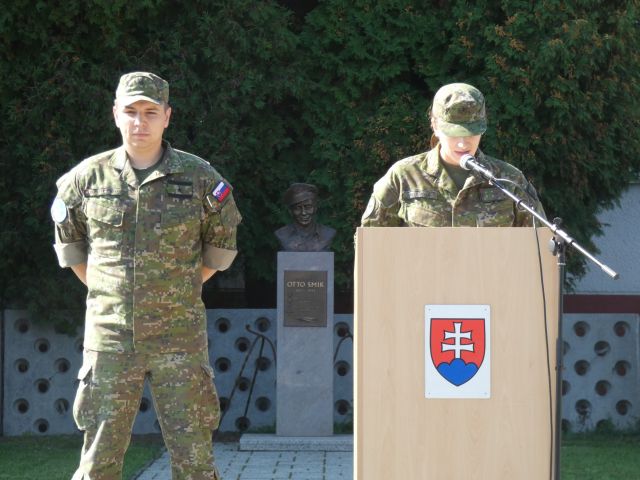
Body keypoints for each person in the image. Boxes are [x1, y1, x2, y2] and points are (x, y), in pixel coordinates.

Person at [51, 72, 241, 480]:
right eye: (131, 111)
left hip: (180, 340)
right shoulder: (85, 180)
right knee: (98, 462)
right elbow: (73, 251)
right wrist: (113, 292)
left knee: (195, 463)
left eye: (151, 112)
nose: (140, 122)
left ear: (167, 116)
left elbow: (218, 251)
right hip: (111, 339)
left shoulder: (202, 180)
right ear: (115, 114)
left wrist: (173, 290)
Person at [361, 82, 545, 227]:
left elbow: (538, 244)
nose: (463, 143)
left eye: (471, 133)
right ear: (435, 125)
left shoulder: (509, 180)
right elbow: (372, 244)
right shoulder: (404, 177)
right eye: (453, 133)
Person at [274, 182, 336, 251]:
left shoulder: (328, 233)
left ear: (315, 208)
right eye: (297, 208)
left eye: (308, 207)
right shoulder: (282, 234)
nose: (303, 213)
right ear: (290, 211)